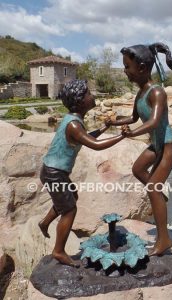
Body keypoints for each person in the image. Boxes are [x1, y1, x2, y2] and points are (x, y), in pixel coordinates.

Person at [105, 43, 172, 256]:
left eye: (127, 67)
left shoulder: (157, 92)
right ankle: (159, 196)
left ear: (141, 67)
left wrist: (133, 133)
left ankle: (164, 239)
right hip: (156, 144)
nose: (125, 71)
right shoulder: (141, 93)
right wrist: (115, 122)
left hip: (167, 144)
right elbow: (134, 117)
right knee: (138, 169)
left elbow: (155, 121)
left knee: (153, 188)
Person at [39, 79, 125, 267]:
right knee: (69, 209)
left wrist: (105, 128)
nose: (91, 96)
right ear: (79, 101)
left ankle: (44, 224)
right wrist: (122, 135)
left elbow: (87, 138)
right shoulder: (74, 125)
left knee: (70, 198)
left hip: (55, 171)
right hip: (54, 173)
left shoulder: (74, 121)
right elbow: (94, 145)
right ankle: (59, 251)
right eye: (88, 93)